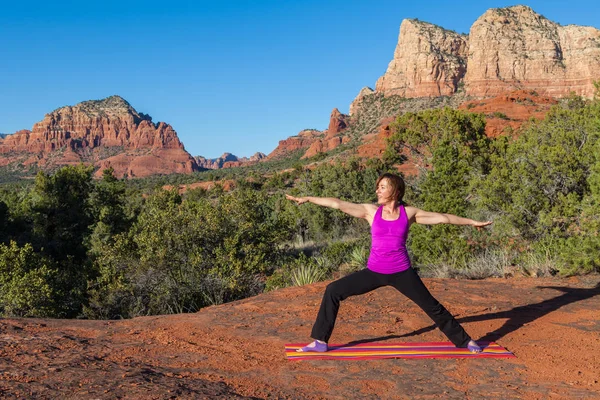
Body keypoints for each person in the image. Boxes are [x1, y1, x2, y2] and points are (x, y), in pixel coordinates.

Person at [285, 172, 492, 353]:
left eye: (382, 187)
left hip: (402, 272)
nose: (378, 191)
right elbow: (337, 203)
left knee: (432, 306)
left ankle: (464, 341)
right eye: (378, 187)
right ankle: (320, 341)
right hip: (374, 271)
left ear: (394, 190)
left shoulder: (409, 213)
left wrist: (471, 222)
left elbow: (444, 218)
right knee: (333, 290)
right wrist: (309, 198)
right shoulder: (370, 211)